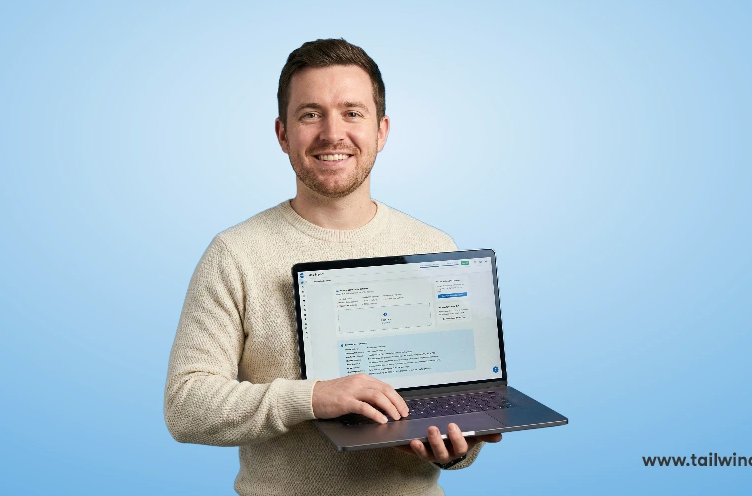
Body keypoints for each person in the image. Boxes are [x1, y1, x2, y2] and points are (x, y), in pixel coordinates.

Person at [164, 38, 501, 496]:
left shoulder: (432, 246)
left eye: (352, 113)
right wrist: (312, 397)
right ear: (283, 134)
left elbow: (460, 406)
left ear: (381, 131)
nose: (332, 133)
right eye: (311, 114)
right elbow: (186, 407)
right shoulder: (235, 253)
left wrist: (458, 449)